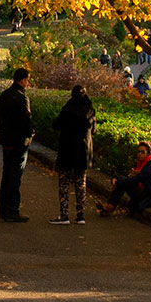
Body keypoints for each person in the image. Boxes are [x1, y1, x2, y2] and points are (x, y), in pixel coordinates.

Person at [50, 85, 95, 225]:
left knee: (64, 182)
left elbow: (56, 124)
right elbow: (93, 130)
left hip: (67, 149)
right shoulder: (90, 110)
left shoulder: (67, 109)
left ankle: (64, 215)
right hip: (83, 150)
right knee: (81, 182)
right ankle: (80, 215)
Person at [0, 67, 34, 222]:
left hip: (7, 140)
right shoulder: (21, 97)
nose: (28, 83)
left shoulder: (5, 95)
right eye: (27, 79)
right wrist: (30, 133)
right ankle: (12, 209)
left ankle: (4, 208)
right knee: (15, 175)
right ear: (22, 80)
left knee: (7, 173)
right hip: (19, 141)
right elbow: (26, 120)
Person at [99, 140, 151, 216]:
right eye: (139, 152)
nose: (139, 154)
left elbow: (137, 179)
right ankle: (109, 207)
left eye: (143, 152)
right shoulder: (140, 163)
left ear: (148, 154)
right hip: (142, 190)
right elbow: (130, 177)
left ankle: (110, 206)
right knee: (122, 180)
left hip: (149, 194)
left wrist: (117, 182)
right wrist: (117, 179)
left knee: (123, 182)